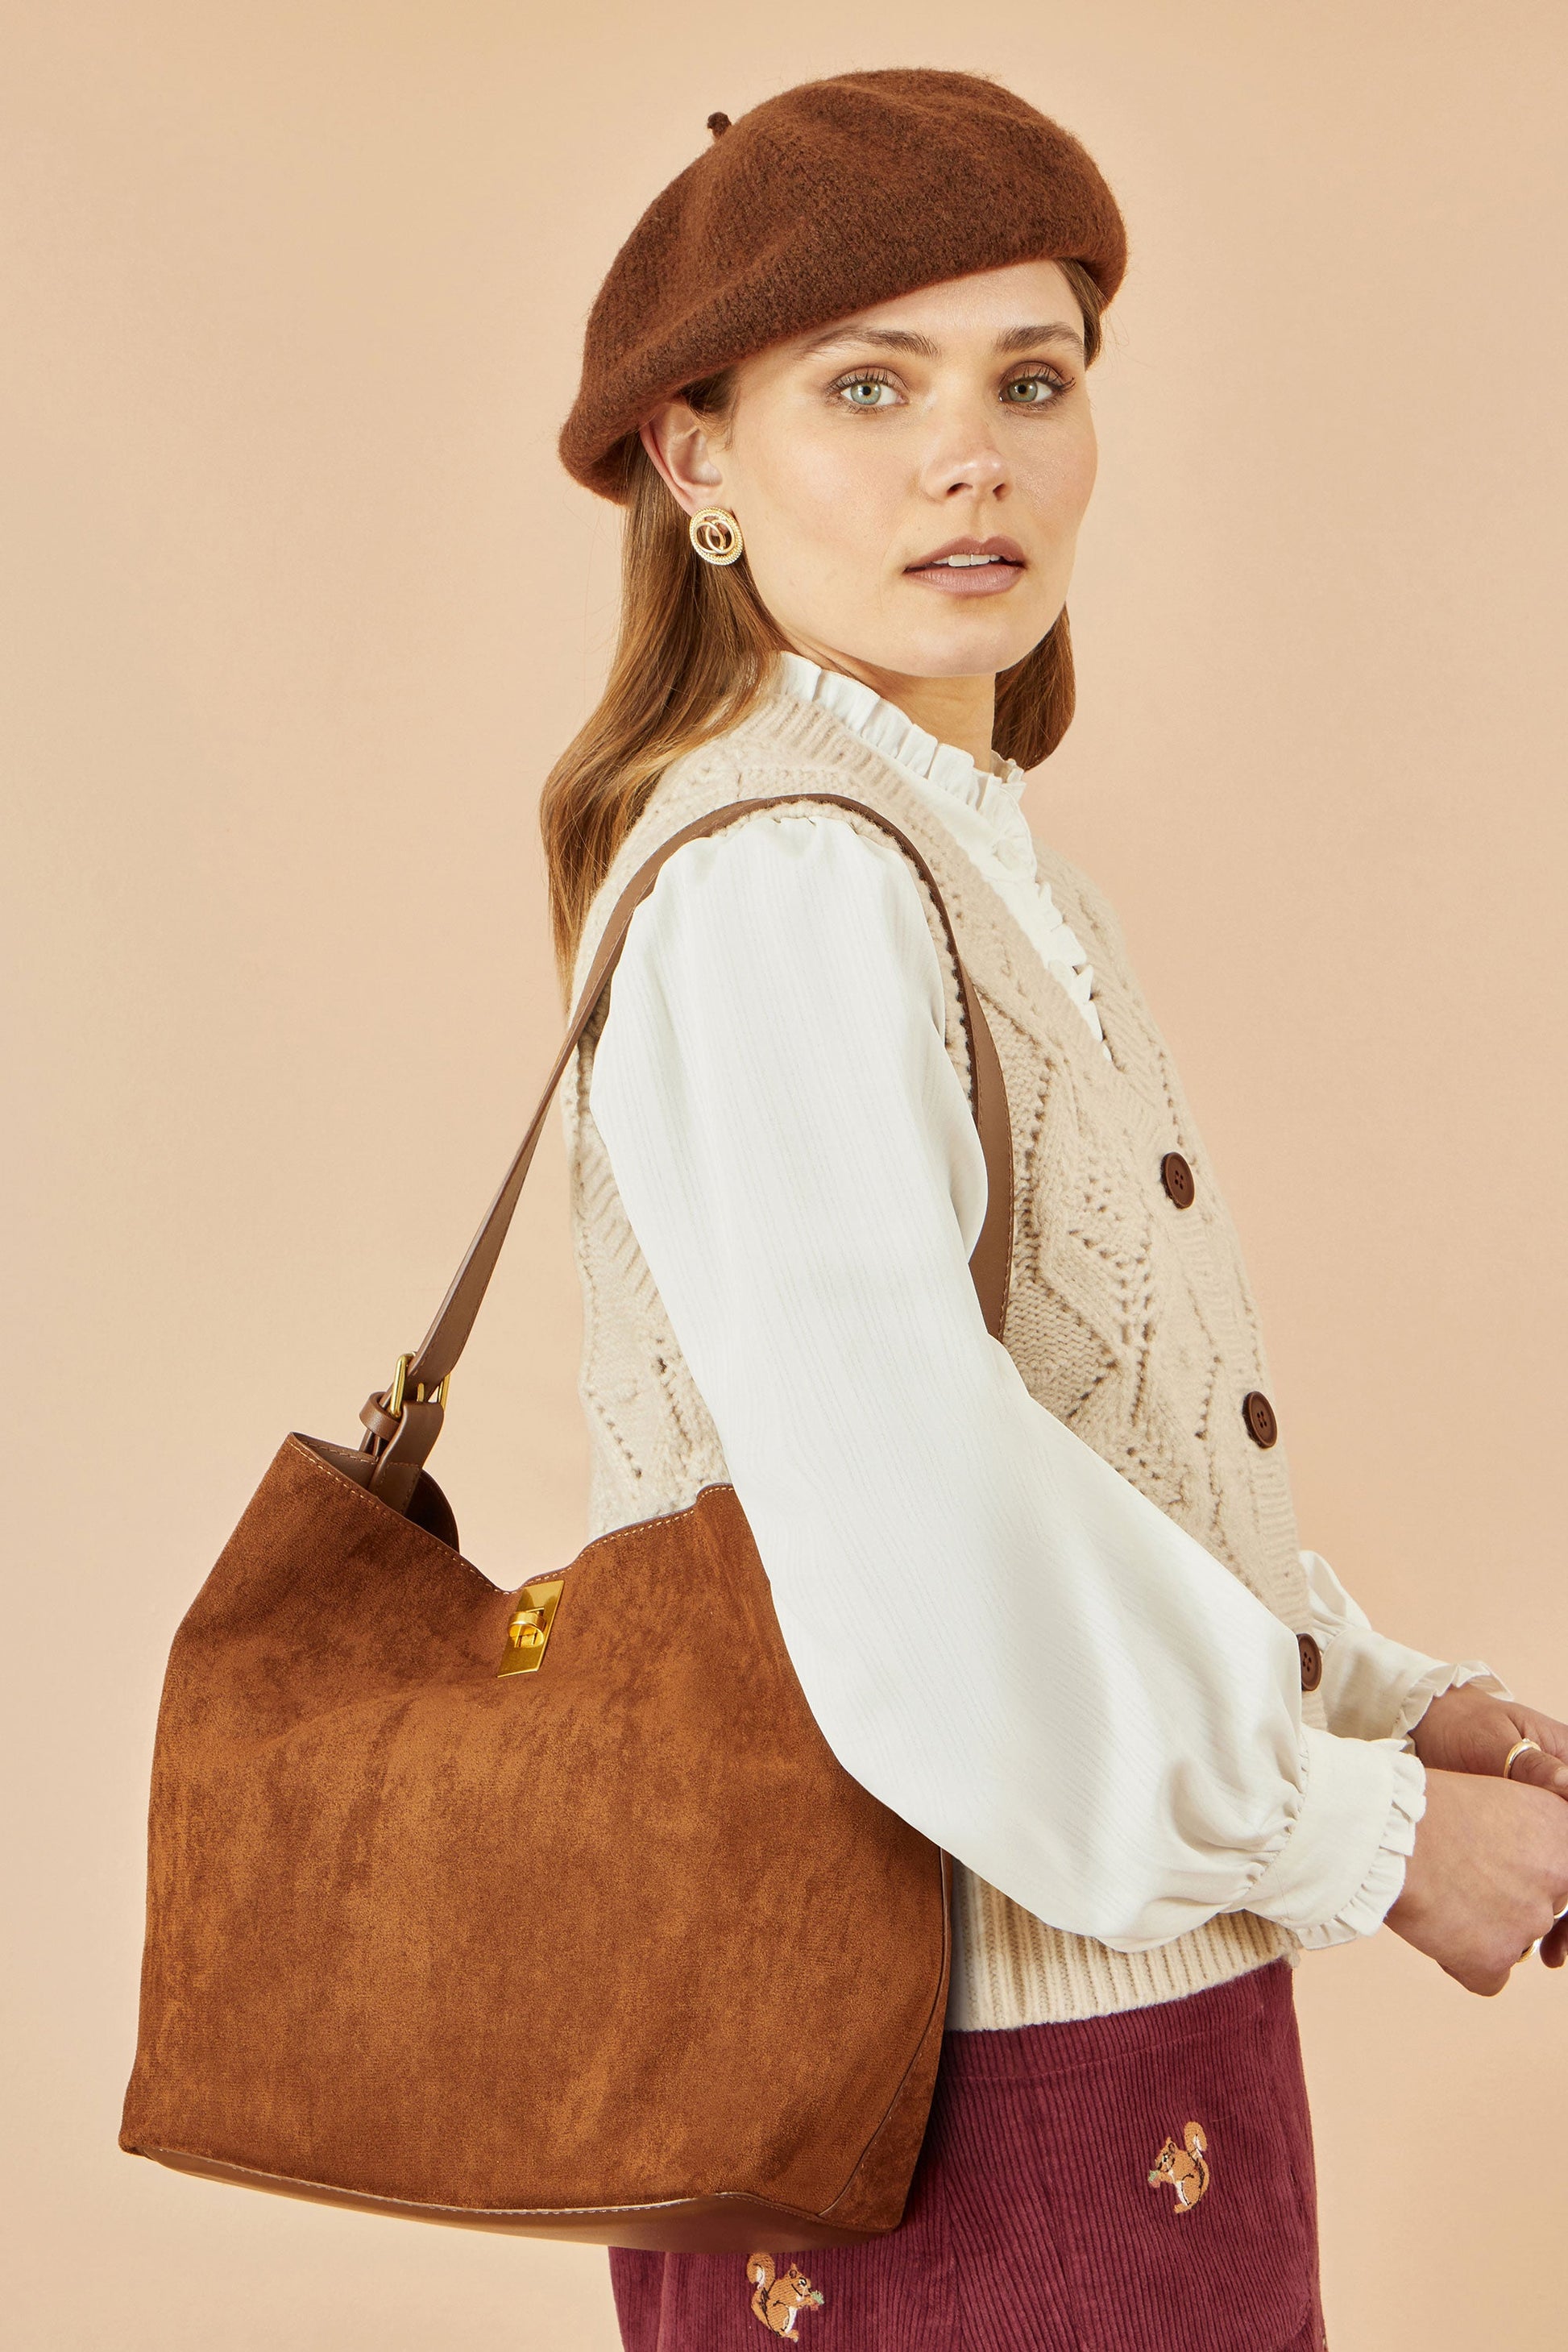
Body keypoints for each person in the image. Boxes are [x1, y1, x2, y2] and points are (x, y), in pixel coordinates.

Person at [541, 69, 1568, 2352]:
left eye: (1031, 378)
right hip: (943, 2092)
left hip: (1101, 2036)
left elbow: (1081, 1464)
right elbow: (910, 1528)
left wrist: (1392, 1702)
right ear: (696, 460)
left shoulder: (967, 865)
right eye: (865, 389)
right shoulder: (786, 881)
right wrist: (1372, 1842)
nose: (966, 457)